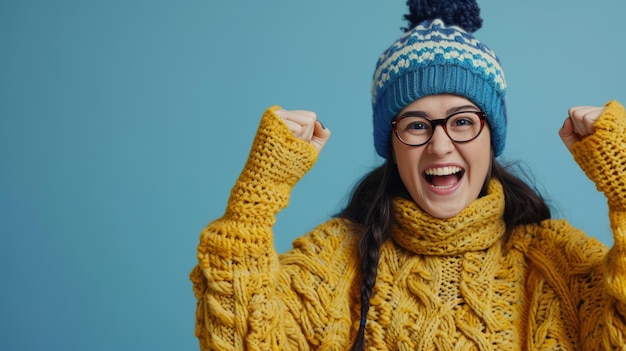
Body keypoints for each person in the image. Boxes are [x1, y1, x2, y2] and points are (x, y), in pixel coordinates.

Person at [190, 0, 626, 349]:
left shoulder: (556, 264)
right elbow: (236, 337)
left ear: (492, 136)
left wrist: (623, 183)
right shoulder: (335, 261)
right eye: (416, 125)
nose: (439, 145)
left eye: (462, 121)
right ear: (392, 145)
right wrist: (259, 192)